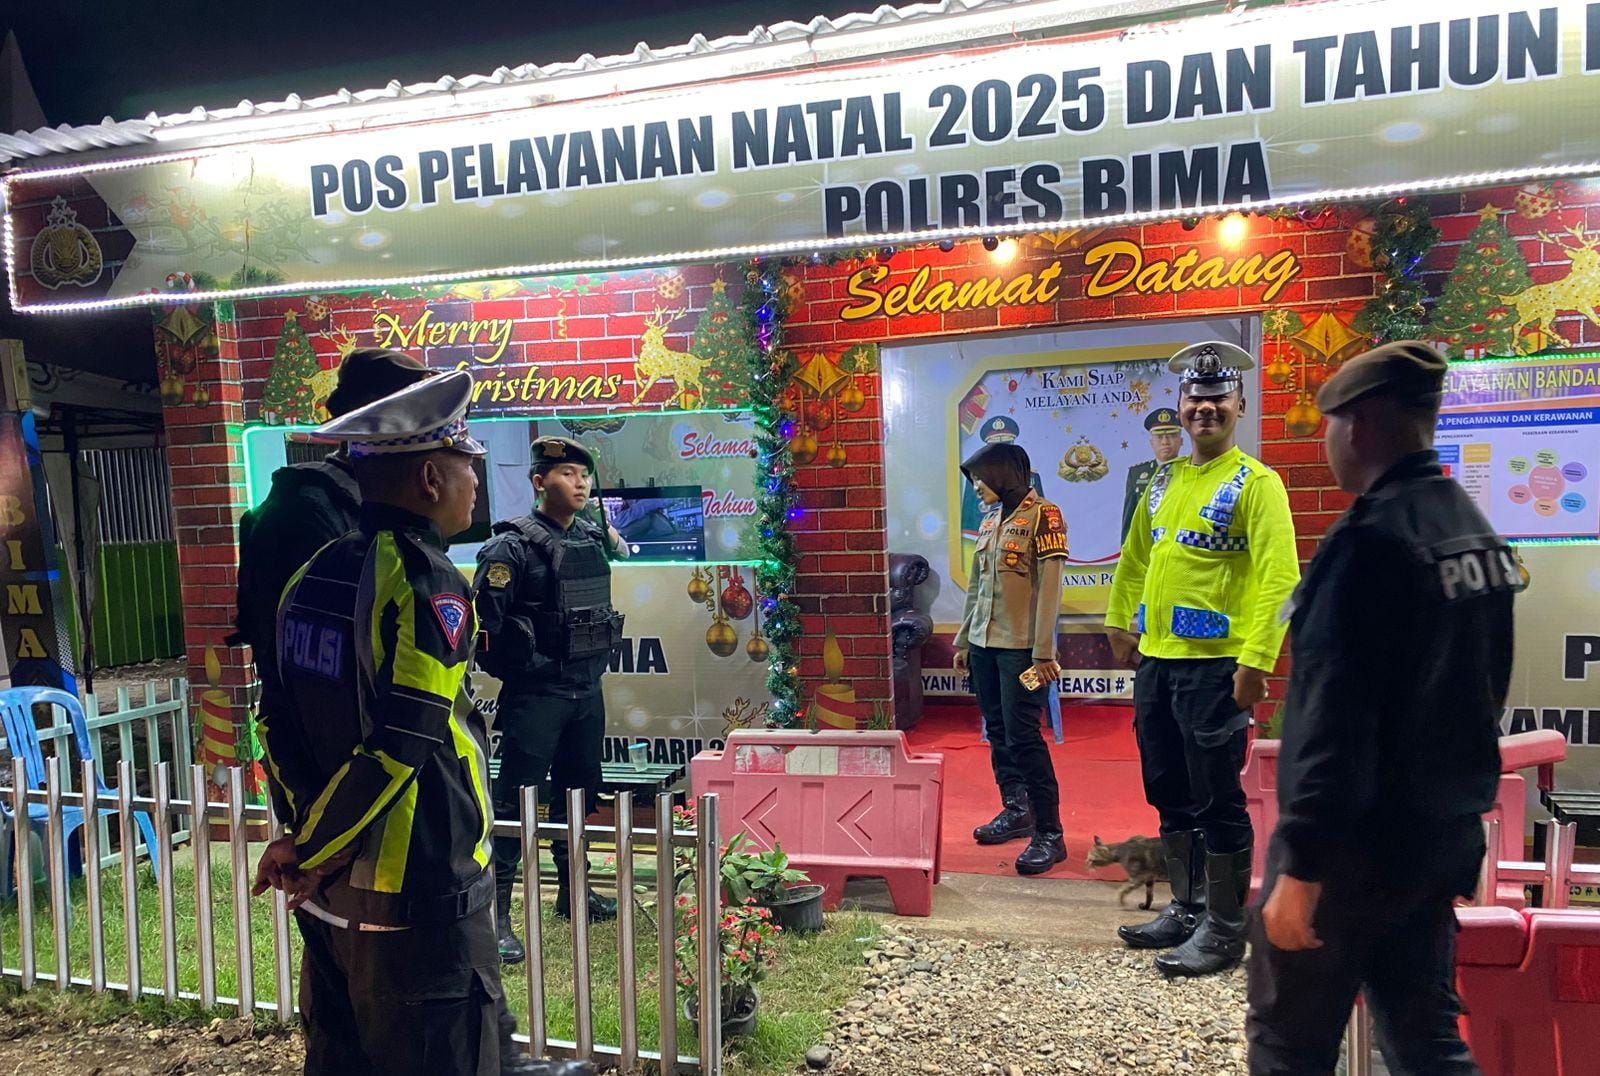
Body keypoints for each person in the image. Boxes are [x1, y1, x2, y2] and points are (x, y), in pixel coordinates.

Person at [251, 372, 588, 1076]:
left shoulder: (311, 573)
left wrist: (305, 837)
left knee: (342, 1056)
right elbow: (402, 743)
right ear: (431, 478)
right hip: (420, 892)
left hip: (334, 897)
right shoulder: (426, 581)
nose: (476, 480)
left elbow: (274, 718)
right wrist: (312, 847)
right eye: (467, 461)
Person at [1247, 341, 1521, 1075]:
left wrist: (1301, 865)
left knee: (1288, 1044)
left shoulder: (1370, 542)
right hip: (1436, 841)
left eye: (1329, 424)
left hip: (1351, 853)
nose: (1327, 440)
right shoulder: (1472, 530)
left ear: (1359, 423)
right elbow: (1484, 693)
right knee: (1426, 1041)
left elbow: (1334, 721)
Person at [1105, 340, 1299, 978]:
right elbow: (1135, 556)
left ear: (1239, 405)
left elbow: (1279, 579)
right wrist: (1117, 619)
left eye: (1218, 397)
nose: (1205, 408)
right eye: (1195, 397)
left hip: (1216, 668)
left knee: (1218, 799)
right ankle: (1187, 909)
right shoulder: (1163, 481)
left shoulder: (1256, 484)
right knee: (1168, 790)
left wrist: (1257, 661)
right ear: (1181, 404)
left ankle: (1224, 928)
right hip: (1158, 664)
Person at [232, 346, 430, 829]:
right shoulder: (304, 511)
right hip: (333, 765)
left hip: (390, 766)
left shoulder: (393, 506)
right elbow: (297, 668)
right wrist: (319, 814)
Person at [473, 436, 628, 965]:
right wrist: (531, 668)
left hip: (587, 690)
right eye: (567, 474)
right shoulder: (509, 548)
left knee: (578, 795)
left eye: (584, 475)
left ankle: (575, 892)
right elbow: (486, 632)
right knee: (515, 803)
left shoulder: (590, 536)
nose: (580, 483)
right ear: (539, 482)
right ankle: (497, 915)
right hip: (536, 697)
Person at [953, 440, 1070, 876]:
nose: (977, 487)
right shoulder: (989, 520)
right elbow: (977, 586)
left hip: (1022, 650)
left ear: (1003, 473)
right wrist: (964, 642)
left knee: (1024, 736)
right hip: (984, 646)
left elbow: (1050, 589)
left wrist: (1043, 653)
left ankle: (1050, 833)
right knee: (998, 731)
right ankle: (1017, 810)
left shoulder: (1045, 515)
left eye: (981, 478)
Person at [1120, 407, 1184, 543]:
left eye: (1172, 436)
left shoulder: (1191, 470)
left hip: (1179, 544)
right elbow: (1129, 522)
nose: (1165, 442)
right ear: (1151, 443)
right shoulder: (1137, 474)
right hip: (1148, 546)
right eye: (1159, 437)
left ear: (1181, 440)